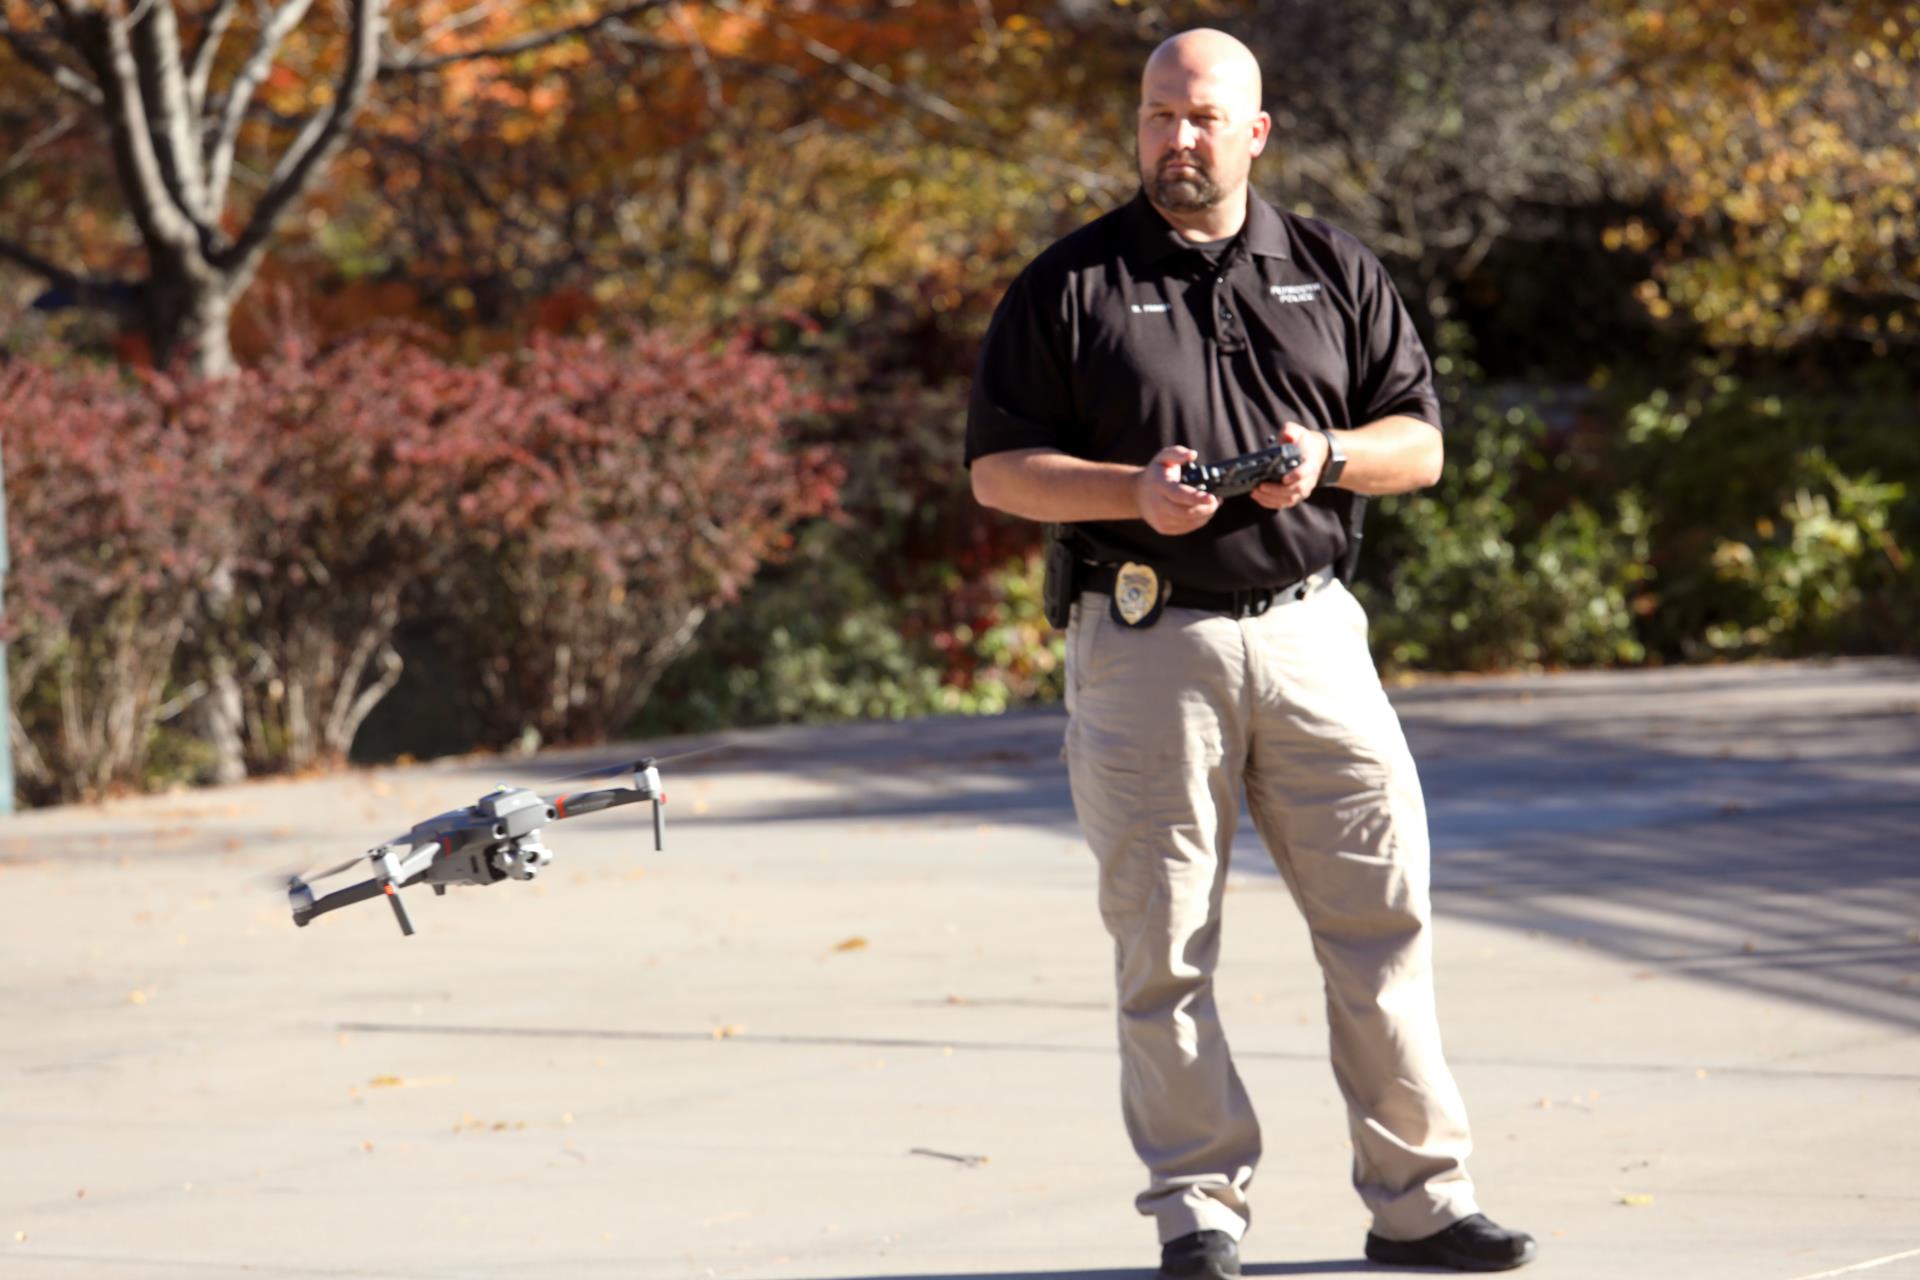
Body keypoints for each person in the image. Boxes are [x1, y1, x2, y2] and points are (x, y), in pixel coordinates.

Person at [964, 27, 1537, 1279]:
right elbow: (999, 469)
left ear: (1256, 132)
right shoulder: (1068, 284)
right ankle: (1197, 1208)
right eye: (1159, 114)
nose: (1178, 137)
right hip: (1144, 641)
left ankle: (1420, 1201)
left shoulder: (1332, 267)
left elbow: (1421, 445)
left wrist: (1322, 457)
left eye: (1205, 117)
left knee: (1382, 920)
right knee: (1162, 942)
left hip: (1315, 634)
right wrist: (1132, 489)